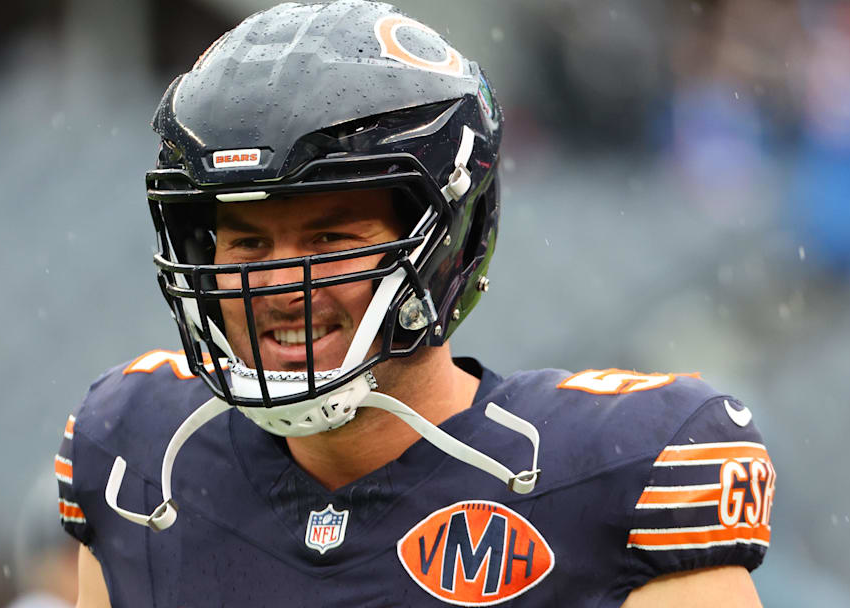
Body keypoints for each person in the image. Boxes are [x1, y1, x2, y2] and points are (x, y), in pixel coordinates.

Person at [56, 1, 775, 606]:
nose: (277, 285)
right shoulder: (139, 457)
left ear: (444, 248)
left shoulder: (621, 470)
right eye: (246, 244)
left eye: (327, 238)